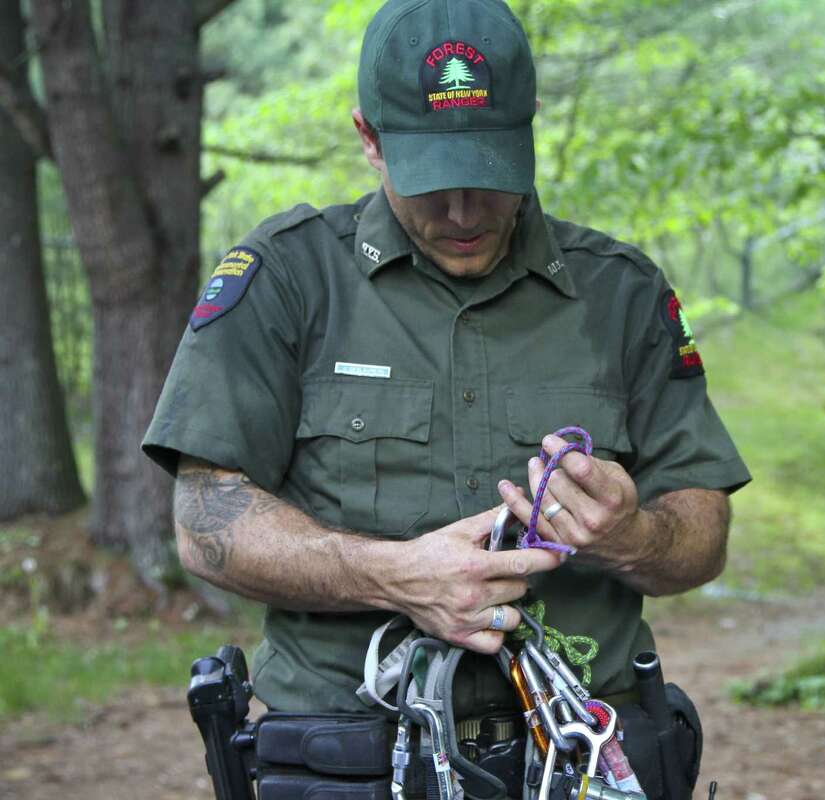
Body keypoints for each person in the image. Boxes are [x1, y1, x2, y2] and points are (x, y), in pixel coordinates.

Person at [144, 0, 749, 795]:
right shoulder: (287, 281)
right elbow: (203, 521)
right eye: (433, 182)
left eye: (488, 175)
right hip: (347, 759)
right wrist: (396, 575)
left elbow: (702, 533)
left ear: (528, 124)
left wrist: (632, 534)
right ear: (369, 138)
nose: (463, 213)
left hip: (582, 757)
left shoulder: (621, 295)